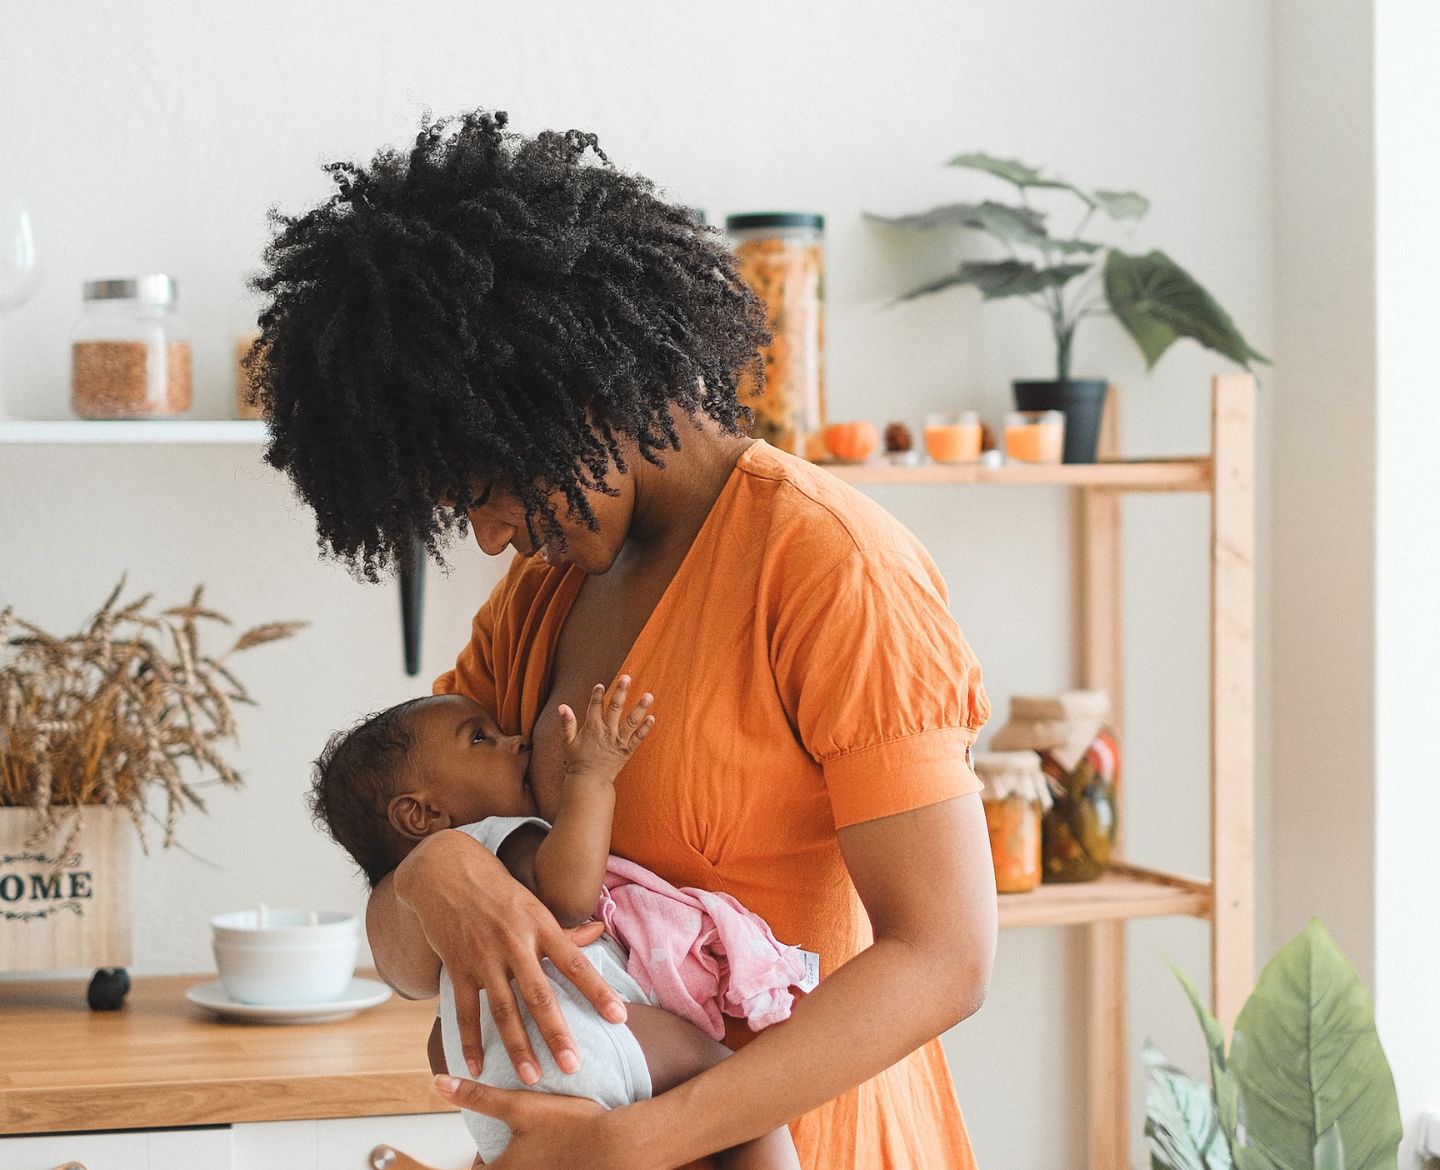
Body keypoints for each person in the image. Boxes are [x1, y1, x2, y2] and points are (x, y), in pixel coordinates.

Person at [250, 107, 997, 1170]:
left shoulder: (829, 565)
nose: (493, 536)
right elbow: (408, 959)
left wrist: (632, 1142)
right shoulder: (540, 600)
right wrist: (426, 875)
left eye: (487, 489)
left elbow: (945, 959)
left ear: (570, 394)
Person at [308, 678, 802, 1169]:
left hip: (500, 1100)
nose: (516, 740)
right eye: (480, 738)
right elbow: (567, 896)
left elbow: (440, 1044)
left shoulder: (436, 921)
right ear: (423, 814)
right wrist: (591, 777)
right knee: (742, 1099)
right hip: (577, 1040)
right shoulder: (489, 841)